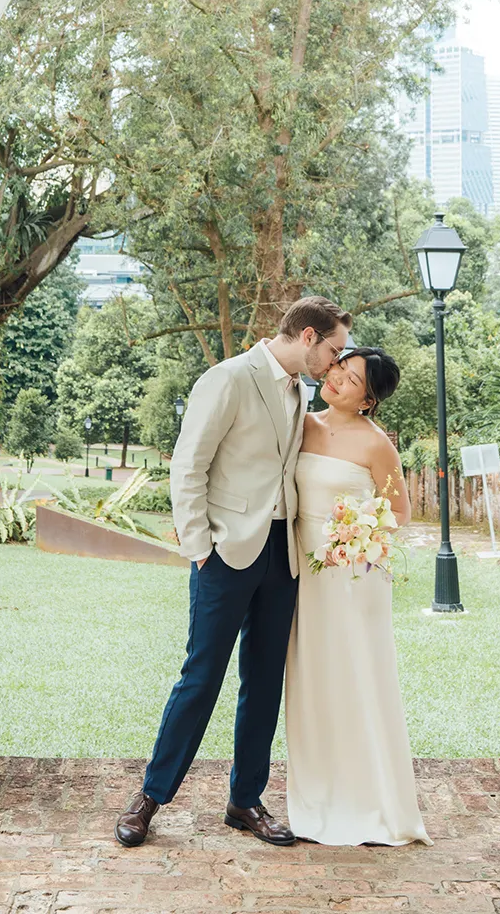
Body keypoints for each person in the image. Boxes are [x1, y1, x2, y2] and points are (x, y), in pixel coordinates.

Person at [114, 295, 352, 848]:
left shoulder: (299, 391)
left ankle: (245, 801)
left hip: (281, 553)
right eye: (335, 350)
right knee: (201, 677)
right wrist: (200, 547)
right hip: (226, 552)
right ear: (310, 337)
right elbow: (188, 464)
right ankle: (150, 797)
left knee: (265, 681)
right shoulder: (227, 378)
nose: (336, 363)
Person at [285, 346, 431, 846]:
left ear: (368, 400)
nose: (337, 381)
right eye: (338, 370)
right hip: (304, 574)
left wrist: (357, 536)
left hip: (353, 577)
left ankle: (371, 799)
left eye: (351, 380)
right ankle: (317, 794)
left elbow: (399, 511)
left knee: (358, 678)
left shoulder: (376, 444)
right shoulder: (302, 423)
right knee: (312, 680)